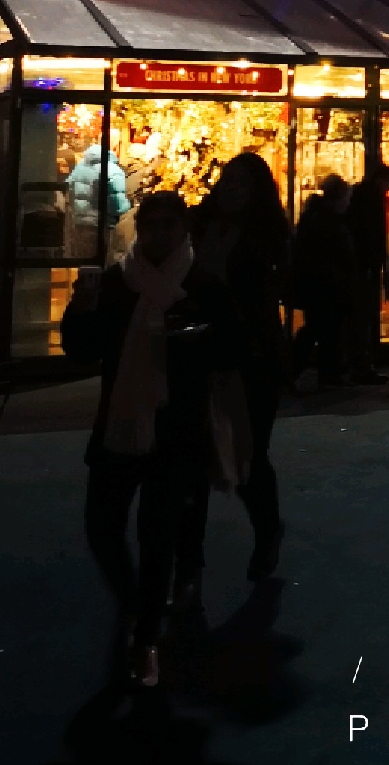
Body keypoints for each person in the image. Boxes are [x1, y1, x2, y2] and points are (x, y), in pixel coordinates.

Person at [61, 190, 238, 689]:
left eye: (168, 223)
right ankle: (136, 605)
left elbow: (228, 351)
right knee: (102, 526)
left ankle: (145, 638)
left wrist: (197, 338)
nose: (158, 233)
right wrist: (82, 307)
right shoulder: (118, 283)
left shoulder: (201, 285)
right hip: (121, 422)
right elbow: (83, 350)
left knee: (157, 534)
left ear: (184, 230)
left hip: (174, 428)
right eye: (150, 223)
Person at [190, 152, 290, 588]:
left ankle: (267, 531)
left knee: (249, 451)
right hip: (204, 352)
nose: (231, 190)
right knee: (193, 458)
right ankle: (188, 567)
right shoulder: (199, 225)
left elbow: (277, 291)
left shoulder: (267, 235)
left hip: (252, 356)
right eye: (227, 181)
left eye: (241, 183)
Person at [289, 176, 358, 388]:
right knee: (325, 331)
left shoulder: (314, 218)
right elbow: (336, 254)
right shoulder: (329, 222)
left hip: (319, 284)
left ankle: (319, 373)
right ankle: (300, 370)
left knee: (320, 330)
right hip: (326, 285)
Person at [346, 164, 389, 384]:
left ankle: (360, 363)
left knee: (363, 317)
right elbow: (374, 236)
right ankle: (362, 365)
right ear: (380, 180)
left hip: (363, 265)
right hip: (365, 266)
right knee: (364, 317)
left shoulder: (360, 196)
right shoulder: (371, 200)